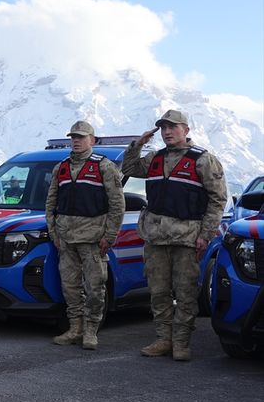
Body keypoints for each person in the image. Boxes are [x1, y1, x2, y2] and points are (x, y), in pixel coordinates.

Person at [122, 109, 227, 361]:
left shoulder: (203, 160)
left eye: (173, 127)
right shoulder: (155, 158)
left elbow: (217, 199)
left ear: (186, 130)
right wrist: (137, 145)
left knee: (186, 293)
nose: (167, 132)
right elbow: (128, 167)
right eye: (164, 128)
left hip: (186, 239)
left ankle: (181, 342)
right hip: (155, 238)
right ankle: (163, 339)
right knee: (158, 292)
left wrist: (206, 234)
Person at [45, 120, 125, 350]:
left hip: (93, 240)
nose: (76, 141)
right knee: (70, 287)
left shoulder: (104, 167)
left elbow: (117, 205)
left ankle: (91, 330)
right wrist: (54, 233)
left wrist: (109, 236)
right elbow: (51, 202)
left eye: (81, 137)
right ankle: (75, 328)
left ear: (92, 140)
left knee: (95, 287)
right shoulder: (61, 167)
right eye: (73, 137)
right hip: (66, 240)